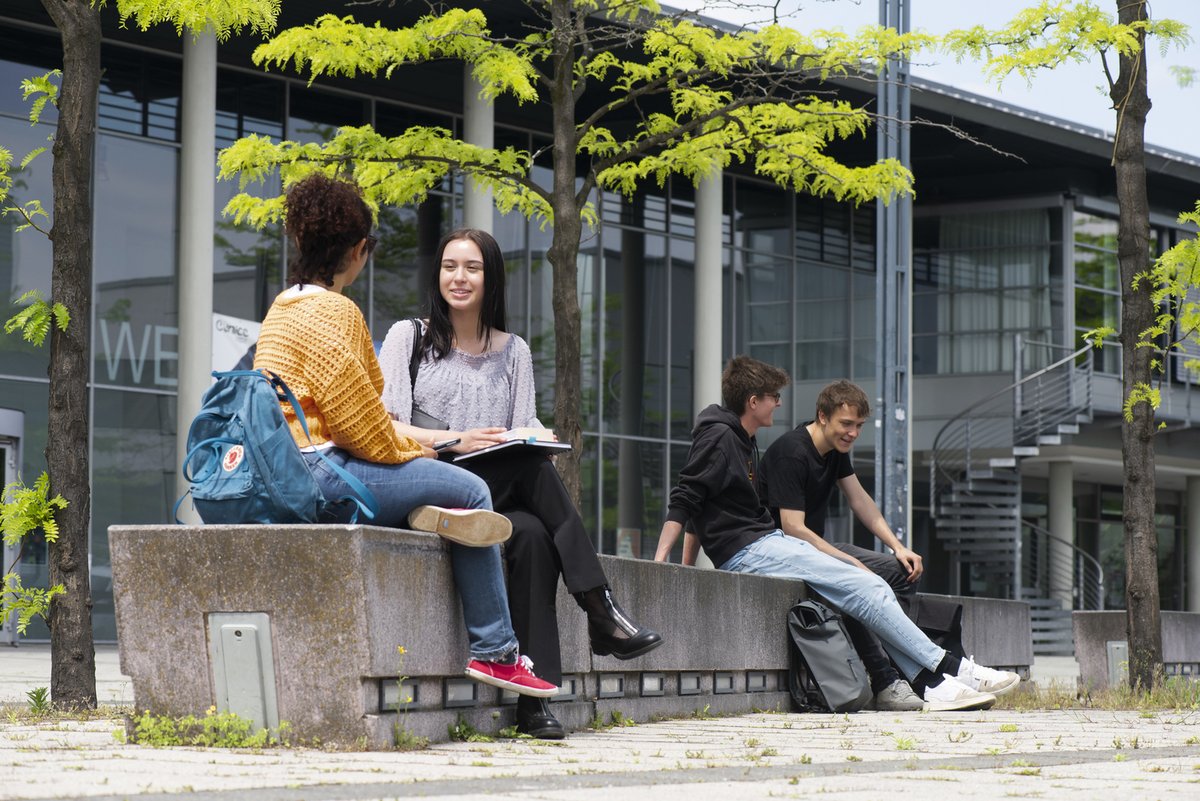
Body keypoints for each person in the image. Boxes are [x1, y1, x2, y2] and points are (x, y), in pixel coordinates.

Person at [253, 175, 555, 700]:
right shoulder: (336, 311)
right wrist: (430, 449)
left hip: (282, 471)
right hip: (324, 475)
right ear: (357, 250)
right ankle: (497, 652)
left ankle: (422, 510)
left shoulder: (283, 307)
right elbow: (362, 427)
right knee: (469, 492)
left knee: (440, 489)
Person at [378, 228, 662, 739]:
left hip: (499, 486)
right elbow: (387, 426)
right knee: (533, 474)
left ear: (492, 277)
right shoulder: (410, 337)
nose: (458, 277)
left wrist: (532, 435)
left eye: (472, 267)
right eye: (449, 266)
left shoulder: (515, 352)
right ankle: (600, 609)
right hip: (434, 482)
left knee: (532, 535)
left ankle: (533, 702)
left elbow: (519, 427)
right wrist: (455, 439)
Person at [653, 355, 1020, 712]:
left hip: (767, 544)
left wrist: (687, 566)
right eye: (773, 397)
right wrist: (662, 563)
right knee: (869, 585)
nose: (778, 404)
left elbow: (703, 505)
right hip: (753, 550)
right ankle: (951, 669)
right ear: (754, 402)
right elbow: (687, 497)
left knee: (878, 581)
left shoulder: (743, 440)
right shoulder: (724, 438)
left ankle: (930, 684)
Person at [755, 379, 925, 711]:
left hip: (814, 549)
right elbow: (792, 528)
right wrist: (849, 564)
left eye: (859, 426)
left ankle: (907, 669)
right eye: (846, 424)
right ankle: (886, 680)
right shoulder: (792, 452)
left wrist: (897, 547)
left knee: (901, 571)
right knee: (854, 583)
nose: (853, 433)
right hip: (785, 555)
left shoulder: (834, 450)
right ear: (822, 416)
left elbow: (859, 500)